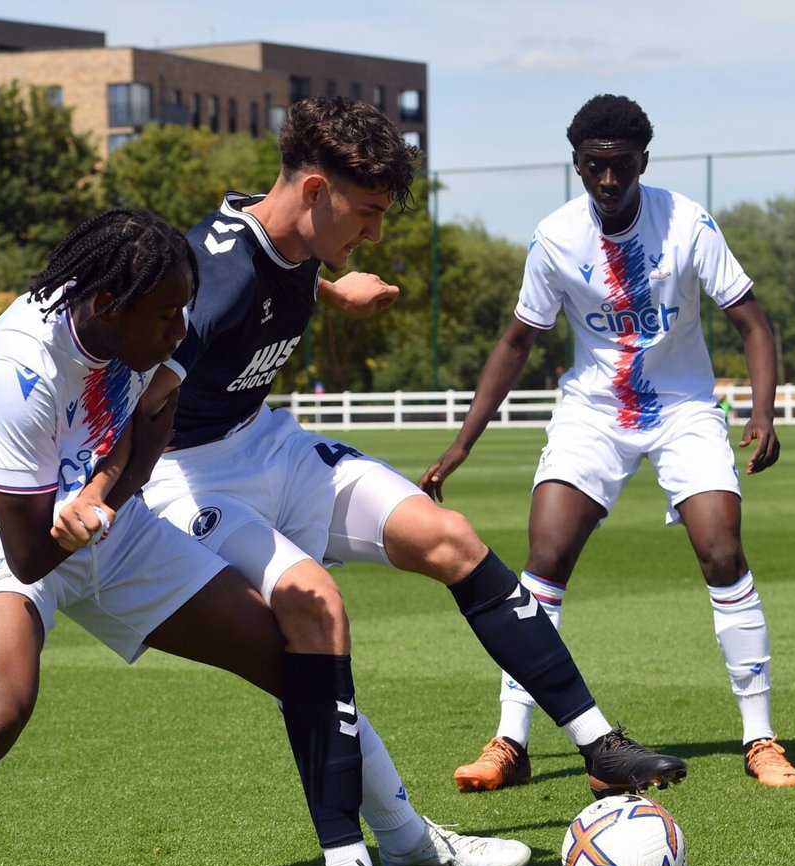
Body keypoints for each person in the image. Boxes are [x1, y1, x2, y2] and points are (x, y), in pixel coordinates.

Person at [0, 210, 526, 866]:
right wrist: (80, 515)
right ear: (108, 305)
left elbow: (150, 429)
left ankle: (406, 841)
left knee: (293, 659)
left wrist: (104, 491)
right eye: (169, 314)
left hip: (115, 524)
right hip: (4, 536)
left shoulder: (141, 325)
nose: (182, 328)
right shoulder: (19, 369)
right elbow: (30, 550)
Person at [134, 96, 686, 808]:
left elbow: (271, 280)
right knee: (311, 619)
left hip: (267, 443)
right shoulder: (218, 280)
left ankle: (599, 744)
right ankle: (371, 849)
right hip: (191, 481)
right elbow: (145, 382)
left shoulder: (290, 234)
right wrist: (97, 497)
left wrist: (333, 293)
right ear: (314, 191)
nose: (376, 229)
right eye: (367, 211)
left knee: (449, 536)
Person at [420, 94, 795, 790]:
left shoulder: (689, 223)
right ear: (576, 163)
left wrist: (763, 410)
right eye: (593, 167)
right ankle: (511, 740)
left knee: (722, 548)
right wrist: (463, 442)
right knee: (544, 558)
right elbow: (515, 343)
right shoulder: (555, 238)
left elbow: (752, 322)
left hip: (684, 407)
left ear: (641, 163)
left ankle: (760, 737)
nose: (606, 180)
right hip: (592, 411)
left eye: (619, 166)